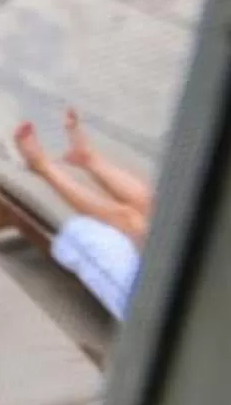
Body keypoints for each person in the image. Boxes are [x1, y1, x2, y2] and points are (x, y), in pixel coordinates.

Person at [13, 109, 152, 318]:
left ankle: (42, 166)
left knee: (130, 220)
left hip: (151, 308)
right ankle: (88, 159)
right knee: (154, 209)